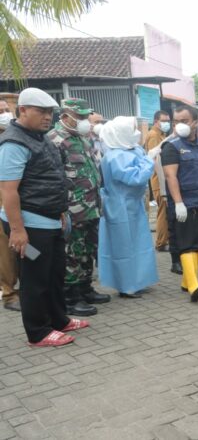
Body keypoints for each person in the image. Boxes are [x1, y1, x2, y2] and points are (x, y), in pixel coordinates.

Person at [0, 88, 86, 347]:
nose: (48, 117)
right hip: (29, 224)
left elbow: (52, 179)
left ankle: (59, 320)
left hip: (49, 220)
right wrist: (17, 230)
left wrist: (59, 211)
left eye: (50, 112)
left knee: (54, 273)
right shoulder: (14, 143)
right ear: (23, 110)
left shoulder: (40, 137)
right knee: (35, 278)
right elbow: (8, 190)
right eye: (41, 111)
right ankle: (37, 332)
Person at [48, 98, 109, 317]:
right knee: (72, 253)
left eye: (86, 116)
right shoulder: (54, 140)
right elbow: (54, 178)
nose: (85, 121)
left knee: (87, 250)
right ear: (66, 116)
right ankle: (71, 297)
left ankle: (85, 288)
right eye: (80, 117)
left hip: (90, 206)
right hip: (72, 209)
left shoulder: (83, 138)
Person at [162, 105, 198, 302]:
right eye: (176, 121)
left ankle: (187, 281)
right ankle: (194, 284)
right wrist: (178, 203)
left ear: (195, 122)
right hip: (185, 204)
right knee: (186, 244)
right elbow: (170, 176)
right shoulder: (171, 147)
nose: (179, 125)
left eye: (184, 121)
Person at [98, 116, 158, 298]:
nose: (137, 133)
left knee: (139, 244)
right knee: (123, 246)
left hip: (133, 204)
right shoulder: (114, 156)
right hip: (119, 206)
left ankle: (139, 280)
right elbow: (135, 177)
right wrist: (149, 159)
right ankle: (127, 285)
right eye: (132, 130)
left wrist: (146, 157)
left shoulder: (131, 149)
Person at [0, 98, 20, 312]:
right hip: (2, 204)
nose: (5, 114)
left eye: (7, 110)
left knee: (24, 249)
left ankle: (25, 288)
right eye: (1, 111)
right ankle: (9, 293)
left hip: (18, 204)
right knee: (5, 251)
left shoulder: (14, 137)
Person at [145, 110, 172, 253]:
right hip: (158, 180)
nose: (167, 123)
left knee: (166, 211)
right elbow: (155, 159)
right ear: (156, 121)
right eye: (164, 120)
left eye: (168, 120)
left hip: (162, 179)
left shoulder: (161, 134)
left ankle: (165, 239)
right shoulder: (154, 135)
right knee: (163, 211)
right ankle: (161, 242)